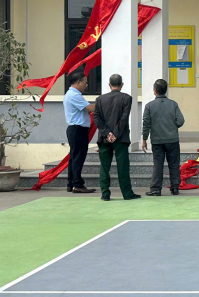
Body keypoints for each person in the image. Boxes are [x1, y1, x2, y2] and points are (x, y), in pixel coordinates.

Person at [92, 73, 141, 201]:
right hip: (121, 138)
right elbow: (124, 118)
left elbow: (96, 118)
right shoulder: (126, 98)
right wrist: (115, 134)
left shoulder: (100, 99)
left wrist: (107, 133)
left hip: (104, 138)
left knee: (104, 167)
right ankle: (127, 193)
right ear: (121, 85)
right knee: (123, 167)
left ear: (109, 85)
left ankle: (105, 193)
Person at [141, 78, 185, 196]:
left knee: (158, 164)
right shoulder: (173, 104)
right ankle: (175, 187)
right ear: (166, 90)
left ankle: (156, 189)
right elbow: (181, 121)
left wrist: (144, 139)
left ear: (155, 90)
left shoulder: (149, 106)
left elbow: (146, 124)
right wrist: (172, 126)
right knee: (174, 164)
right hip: (172, 139)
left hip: (157, 140)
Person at [63, 70, 96, 193]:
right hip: (78, 130)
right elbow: (89, 108)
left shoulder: (71, 94)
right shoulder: (74, 95)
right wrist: (103, 102)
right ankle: (77, 184)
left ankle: (71, 182)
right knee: (78, 157)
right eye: (85, 83)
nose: (86, 85)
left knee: (74, 157)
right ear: (78, 82)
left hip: (75, 129)